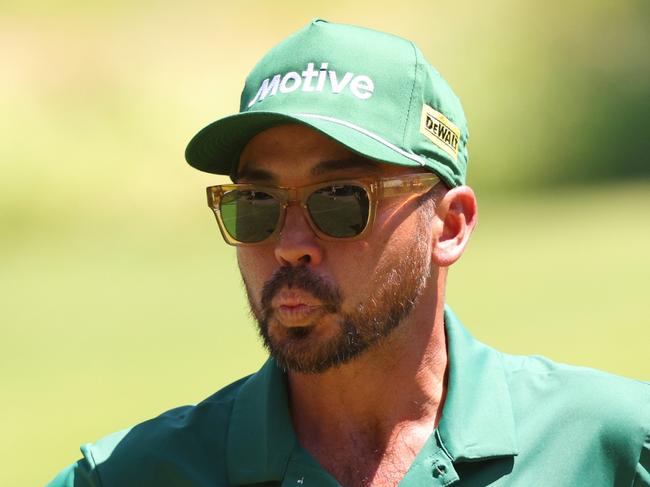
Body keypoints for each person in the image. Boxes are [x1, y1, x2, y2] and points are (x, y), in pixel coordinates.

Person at [48, 19, 649, 487]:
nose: (289, 244)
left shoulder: (614, 446)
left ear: (449, 225)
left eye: (339, 199)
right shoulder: (133, 473)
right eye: (255, 201)